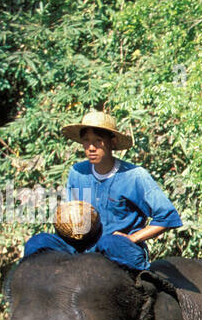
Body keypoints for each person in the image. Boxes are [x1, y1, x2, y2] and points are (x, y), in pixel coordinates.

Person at [22, 110, 182, 270]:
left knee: (108, 242)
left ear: (112, 142)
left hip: (117, 247)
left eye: (98, 141)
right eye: (86, 141)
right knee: (38, 242)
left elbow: (167, 216)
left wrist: (132, 238)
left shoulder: (134, 176)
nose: (91, 147)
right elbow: (74, 218)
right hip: (82, 246)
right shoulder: (77, 172)